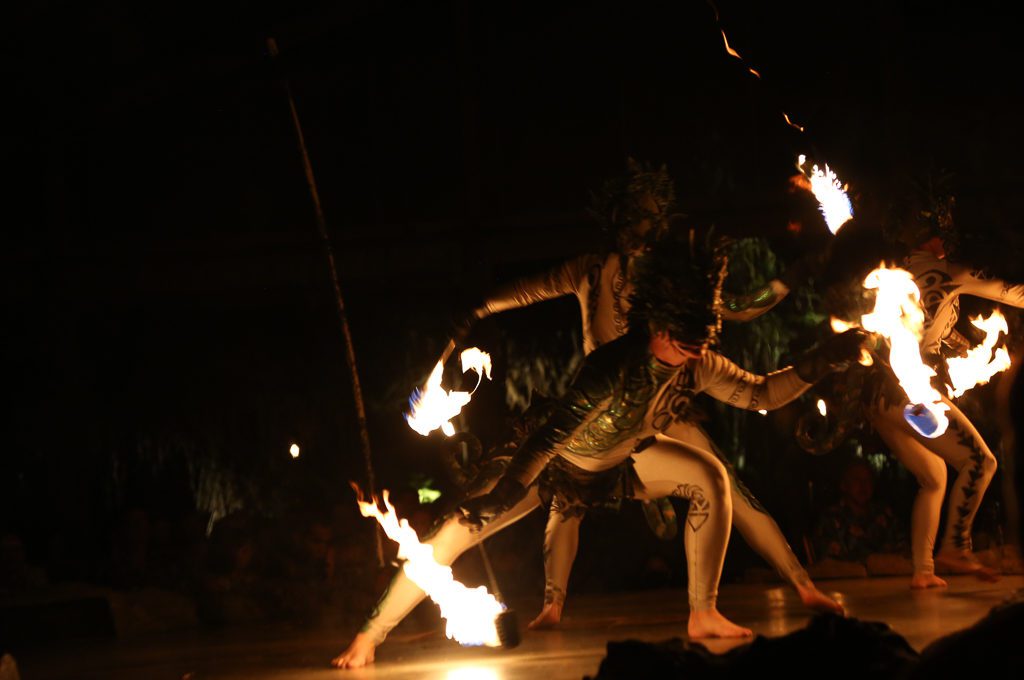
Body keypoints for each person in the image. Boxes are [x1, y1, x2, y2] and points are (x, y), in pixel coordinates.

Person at [331, 230, 867, 669]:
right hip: (548, 465)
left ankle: (703, 612)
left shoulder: (697, 363)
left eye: (702, 338)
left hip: (619, 462)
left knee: (710, 477)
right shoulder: (612, 365)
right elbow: (550, 437)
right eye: (686, 339)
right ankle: (369, 636)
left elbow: (761, 394)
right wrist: (503, 495)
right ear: (658, 322)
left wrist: (822, 361)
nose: (697, 350)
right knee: (451, 535)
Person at [455, 161, 842, 629]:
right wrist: (477, 308)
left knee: (723, 485)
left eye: (656, 214)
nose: (649, 224)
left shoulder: (674, 279)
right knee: (566, 499)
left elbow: (738, 308)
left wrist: (796, 274)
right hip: (602, 408)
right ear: (618, 217)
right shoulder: (590, 270)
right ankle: (552, 606)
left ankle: (801, 584)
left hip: (662, 404)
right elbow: (529, 290)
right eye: (640, 213)